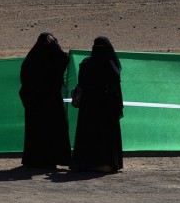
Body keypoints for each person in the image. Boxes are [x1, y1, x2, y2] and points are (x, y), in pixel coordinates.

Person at [70, 36, 124, 173]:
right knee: (105, 136)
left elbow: (82, 83)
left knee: (88, 134)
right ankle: (106, 164)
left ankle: (86, 163)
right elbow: (115, 81)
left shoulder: (86, 64)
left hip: (88, 107)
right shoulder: (111, 65)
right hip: (105, 107)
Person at [19, 32, 71, 168]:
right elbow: (63, 58)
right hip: (48, 101)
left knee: (39, 131)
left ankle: (36, 160)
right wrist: (53, 44)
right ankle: (51, 159)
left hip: (37, 103)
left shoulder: (31, 59)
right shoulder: (52, 58)